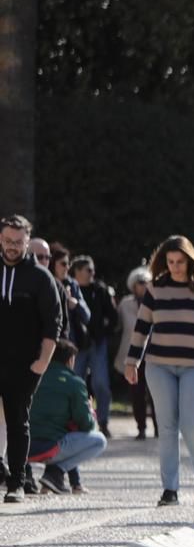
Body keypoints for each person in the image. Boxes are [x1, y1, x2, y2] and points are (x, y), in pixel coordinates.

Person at [124, 235, 194, 506]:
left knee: (190, 423)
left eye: (180, 261)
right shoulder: (155, 288)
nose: (175, 267)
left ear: (190, 260)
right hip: (159, 365)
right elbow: (141, 328)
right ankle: (170, 489)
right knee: (167, 426)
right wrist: (131, 361)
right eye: (170, 262)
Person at [0, 214, 63, 502]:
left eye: (18, 242)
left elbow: (53, 322)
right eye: (7, 241)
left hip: (25, 363)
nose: (12, 247)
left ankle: (16, 482)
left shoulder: (40, 277)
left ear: (27, 241)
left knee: (17, 420)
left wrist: (43, 361)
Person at [28, 339, 106, 494]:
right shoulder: (74, 383)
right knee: (99, 441)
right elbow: (86, 425)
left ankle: (60, 479)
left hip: (23, 448)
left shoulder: (32, 376)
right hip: (50, 449)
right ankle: (56, 472)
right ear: (70, 360)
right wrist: (90, 410)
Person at [67, 256, 119, 434]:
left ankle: (103, 422)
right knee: (75, 383)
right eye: (89, 270)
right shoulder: (68, 288)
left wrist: (104, 333)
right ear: (77, 271)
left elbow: (113, 317)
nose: (92, 274)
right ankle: (76, 422)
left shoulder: (100, 290)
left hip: (97, 343)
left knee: (101, 383)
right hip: (75, 346)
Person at [117, 268, 157, 440]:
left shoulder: (157, 302)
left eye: (147, 282)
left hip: (154, 355)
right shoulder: (125, 304)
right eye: (141, 282)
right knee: (137, 393)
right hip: (132, 355)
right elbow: (117, 325)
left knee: (157, 394)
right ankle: (141, 427)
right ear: (133, 285)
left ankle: (159, 429)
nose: (145, 285)